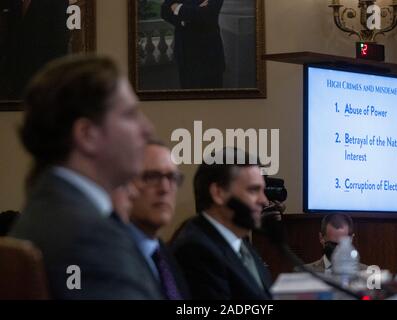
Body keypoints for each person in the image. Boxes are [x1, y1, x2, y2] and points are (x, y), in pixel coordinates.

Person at [10, 55, 164, 299]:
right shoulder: (89, 238)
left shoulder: (52, 211)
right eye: (131, 114)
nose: (147, 129)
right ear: (87, 134)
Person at [171, 147, 273, 300]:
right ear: (218, 193)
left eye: (263, 191)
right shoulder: (196, 249)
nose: (264, 201)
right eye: (253, 190)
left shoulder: (240, 242)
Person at [126, 140, 190, 300]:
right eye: (152, 177)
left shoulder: (164, 255)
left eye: (172, 177)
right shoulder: (105, 251)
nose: (165, 188)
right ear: (125, 182)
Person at [0, 0, 70, 99]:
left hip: (43, 79)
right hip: (15, 83)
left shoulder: (57, 2)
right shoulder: (13, 3)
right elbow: (10, 40)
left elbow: (60, 43)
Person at [161, 0, 225, 89]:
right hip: (184, 55)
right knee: (188, 97)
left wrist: (178, 7)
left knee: (211, 98)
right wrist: (184, 20)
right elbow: (164, 10)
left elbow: (206, 14)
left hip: (208, 57)